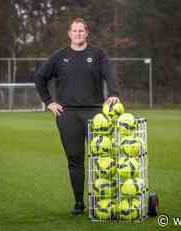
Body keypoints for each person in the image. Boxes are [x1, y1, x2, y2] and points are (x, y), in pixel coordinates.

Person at [34, 18, 120, 215]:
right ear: (69, 33)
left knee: (102, 157)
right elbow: (40, 77)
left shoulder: (97, 54)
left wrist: (114, 93)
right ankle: (79, 202)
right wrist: (48, 101)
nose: (78, 34)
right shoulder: (59, 56)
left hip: (95, 113)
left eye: (81, 31)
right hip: (67, 114)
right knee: (75, 159)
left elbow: (110, 73)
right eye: (75, 31)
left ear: (86, 33)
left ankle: (104, 200)